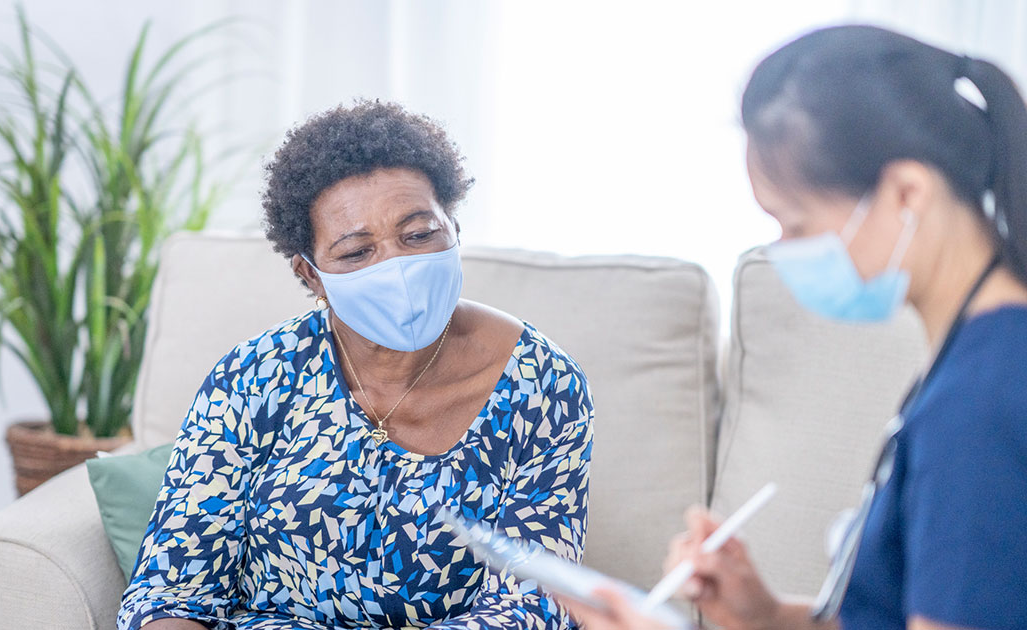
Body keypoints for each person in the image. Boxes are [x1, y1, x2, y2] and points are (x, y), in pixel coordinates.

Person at [559, 24, 1027, 630]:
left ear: (908, 194)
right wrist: (768, 615)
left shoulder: (980, 402)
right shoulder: (970, 360)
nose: (786, 254)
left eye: (798, 225)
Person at [117, 100, 594, 630]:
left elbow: (534, 604)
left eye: (418, 235)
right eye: (355, 252)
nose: (398, 267)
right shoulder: (252, 377)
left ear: (454, 227)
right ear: (312, 274)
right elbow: (171, 592)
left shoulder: (543, 383)